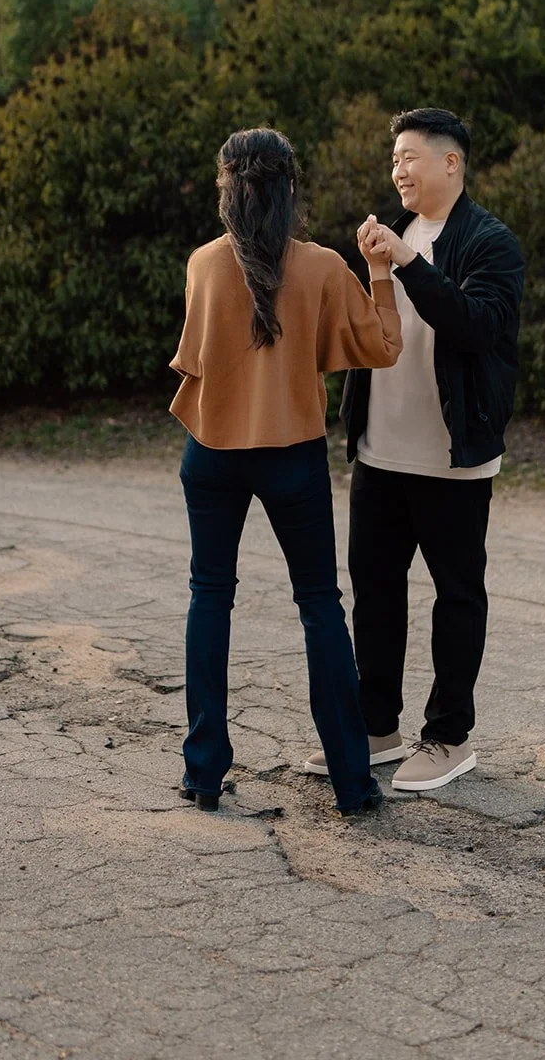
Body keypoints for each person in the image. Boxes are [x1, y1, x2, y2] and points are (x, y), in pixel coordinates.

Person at [169, 127, 402, 816]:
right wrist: (381, 272)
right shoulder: (324, 266)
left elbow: (198, 360)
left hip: (210, 450)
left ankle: (202, 774)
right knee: (318, 605)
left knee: (209, 596)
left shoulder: (203, 265)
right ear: (289, 190)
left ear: (227, 189)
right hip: (292, 456)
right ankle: (352, 785)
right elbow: (382, 348)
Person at [303, 107, 525, 793]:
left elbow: (474, 328)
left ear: (450, 162)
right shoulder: (392, 235)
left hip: (452, 460)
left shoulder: (489, 242)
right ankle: (377, 728)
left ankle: (448, 737)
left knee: (455, 595)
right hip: (380, 452)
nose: (397, 169)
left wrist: (406, 263)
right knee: (373, 592)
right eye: (392, 158)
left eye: (409, 156)